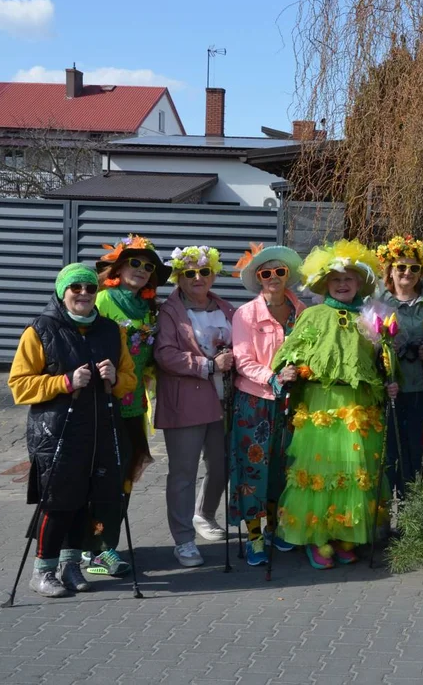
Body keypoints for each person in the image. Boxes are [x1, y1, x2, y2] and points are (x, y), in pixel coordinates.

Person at [8, 263, 135, 597]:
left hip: (100, 431)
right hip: (56, 433)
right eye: (75, 288)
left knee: (86, 499)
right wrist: (64, 382)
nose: (83, 294)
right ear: (62, 291)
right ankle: (43, 571)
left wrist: (115, 378)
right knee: (57, 501)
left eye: (90, 288)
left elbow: (130, 381)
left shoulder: (111, 331)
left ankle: (70, 566)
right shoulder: (40, 330)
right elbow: (19, 386)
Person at [271, 240, 399, 569]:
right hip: (321, 406)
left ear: (359, 284)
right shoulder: (313, 315)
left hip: (358, 406)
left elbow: (382, 359)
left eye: (349, 279)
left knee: (353, 471)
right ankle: (317, 538)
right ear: (326, 284)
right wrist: (288, 370)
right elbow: (291, 352)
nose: (343, 284)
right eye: (336, 279)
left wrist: (390, 374)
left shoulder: (371, 317)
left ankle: (344, 535)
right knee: (321, 469)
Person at [82, 234, 170, 578]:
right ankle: (94, 550)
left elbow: (147, 354)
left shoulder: (148, 307)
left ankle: (108, 544)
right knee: (103, 476)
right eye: (135, 262)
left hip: (134, 405)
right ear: (118, 266)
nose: (142, 270)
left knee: (124, 476)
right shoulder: (102, 300)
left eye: (148, 266)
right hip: (103, 404)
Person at [155, 245, 236, 568]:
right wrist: (207, 365)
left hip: (224, 400)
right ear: (179, 277)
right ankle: (184, 540)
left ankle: (204, 514)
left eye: (204, 272)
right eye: (189, 273)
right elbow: (164, 354)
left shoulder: (226, 308)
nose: (198, 278)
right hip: (186, 402)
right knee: (183, 472)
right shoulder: (170, 312)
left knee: (221, 464)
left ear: (213, 274)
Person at [227, 243, 306, 566]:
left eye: (280, 272)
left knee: (284, 466)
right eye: (266, 273)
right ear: (259, 278)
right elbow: (242, 360)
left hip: (293, 400)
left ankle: (277, 526)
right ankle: (255, 536)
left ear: (288, 276)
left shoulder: (302, 311)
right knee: (252, 469)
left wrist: (300, 372)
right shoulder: (246, 314)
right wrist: (273, 376)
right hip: (255, 401)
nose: (273, 277)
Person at [376, 234, 423, 496]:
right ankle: (383, 512)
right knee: (387, 451)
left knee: (414, 449)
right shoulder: (377, 301)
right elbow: (367, 346)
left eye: (414, 268)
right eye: (401, 267)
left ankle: (412, 512)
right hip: (386, 388)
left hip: (418, 386)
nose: (407, 273)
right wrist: (384, 352)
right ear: (391, 269)